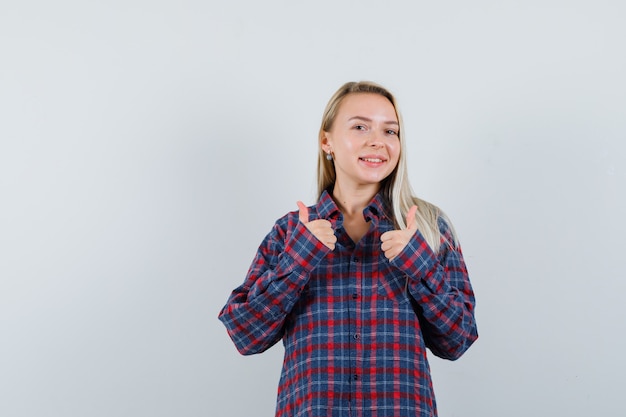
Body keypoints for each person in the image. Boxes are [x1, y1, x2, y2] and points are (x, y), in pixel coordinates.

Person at [218, 81, 478, 417]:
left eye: (390, 131)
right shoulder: (290, 232)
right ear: (326, 141)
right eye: (360, 127)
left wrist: (420, 266)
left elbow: (457, 340)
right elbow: (245, 335)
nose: (378, 141)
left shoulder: (428, 229)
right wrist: (299, 260)